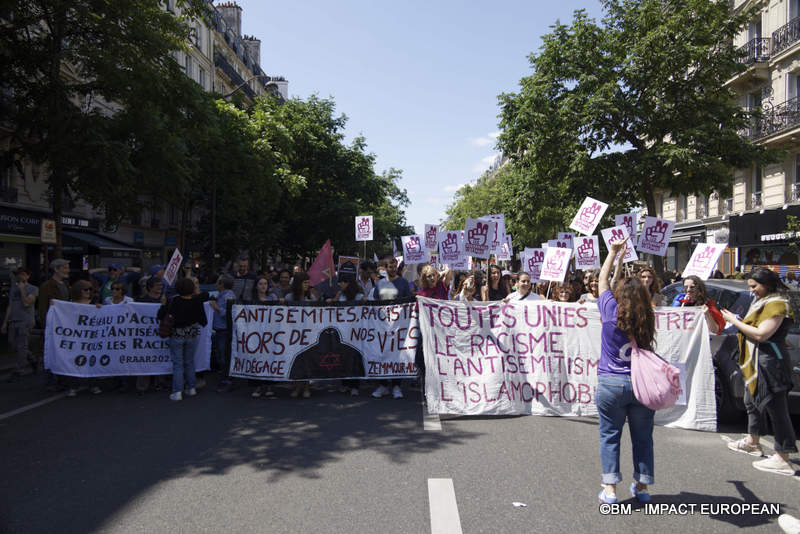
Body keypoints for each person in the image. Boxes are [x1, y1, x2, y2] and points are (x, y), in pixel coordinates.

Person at [721, 268, 798, 476]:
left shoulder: (777, 304)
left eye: (755, 286)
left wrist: (734, 321)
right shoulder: (762, 302)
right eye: (750, 287)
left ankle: (783, 457)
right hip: (755, 361)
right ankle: (753, 442)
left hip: (770, 363)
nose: (752, 291)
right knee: (751, 400)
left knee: (776, 410)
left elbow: (761, 334)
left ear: (767, 284)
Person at [596, 237, 656, 505]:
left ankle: (610, 490)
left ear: (618, 294)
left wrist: (613, 254)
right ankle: (642, 487)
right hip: (641, 385)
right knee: (643, 438)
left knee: (610, 437)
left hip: (611, 384)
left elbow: (602, 281)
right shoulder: (648, 317)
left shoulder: (610, 311)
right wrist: (620, 259)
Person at [158, 277, 207, 401]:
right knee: (189, 362)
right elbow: (203, 321)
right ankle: (191, 388)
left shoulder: (173, 301)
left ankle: (177, 391)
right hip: (192, 335)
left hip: (176, 335)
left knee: (178, 364)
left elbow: (161, 316)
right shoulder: (197, 301)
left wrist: (163, 304)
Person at [370, 256, 411, 399]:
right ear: (385, 268)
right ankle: (383, 385)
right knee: (382, 354)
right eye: (390, 267)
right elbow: (375, 302)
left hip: (398, 326)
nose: (393, 269)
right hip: (382, 326)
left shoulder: (403, 283)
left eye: (395, 266)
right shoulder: (380, 284)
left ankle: (396, 386)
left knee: (397, 355)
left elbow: (408, 302)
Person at [66, 280, 103, 397]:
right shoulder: (70, 304)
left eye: (90, 289)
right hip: (76, 337)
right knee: (74, 361)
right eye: (85, 289)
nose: (88, 292)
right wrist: (55, 306)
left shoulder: (94, 303)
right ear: (78, 290)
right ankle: (73, 386)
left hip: (91, 337)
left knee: (92, 361)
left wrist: (100, 309)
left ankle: (93, 384)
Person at [284, 271, 318, 398]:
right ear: (298, 284)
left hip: (308, 334)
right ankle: (297, 386)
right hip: (293, 334)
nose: (307, 285)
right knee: (296, 361)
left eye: (308, 283)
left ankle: (306, 387)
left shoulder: (311, 298)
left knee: (307, 361)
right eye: (304, 283)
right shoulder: (289, 298)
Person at [2, 267, 39, 377]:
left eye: (23, 274)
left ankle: (20, 369)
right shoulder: (13, 289)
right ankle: (32, 359)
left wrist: (22, 289)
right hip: (13, 319)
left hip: (25, 320)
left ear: (28, 276)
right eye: (18, 274)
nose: (20, 276)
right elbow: (10, 306)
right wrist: (5, 323)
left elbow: (27, 303)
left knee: (22, 345)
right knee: (13, 344)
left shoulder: (33, 288)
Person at [211, 275, 237, 393]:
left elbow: (230, 313)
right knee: (221, 356)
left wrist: (217, 308)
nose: (215, 284)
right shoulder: (221, 295)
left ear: (222, 284)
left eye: (217, 282)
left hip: (224, 330)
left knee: (224, 357)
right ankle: (224, 378)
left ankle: (228, 381)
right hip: (219, 330)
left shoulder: (228, 296)